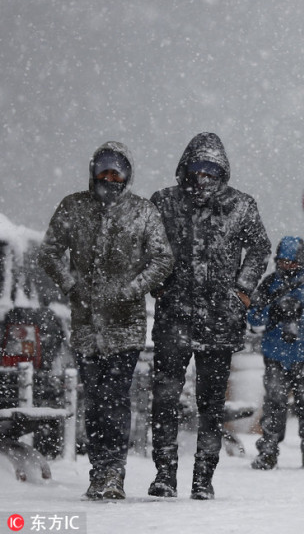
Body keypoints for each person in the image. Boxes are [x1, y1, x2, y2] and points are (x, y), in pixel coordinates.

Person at [39, 141, 174, 500]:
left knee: (115, 398)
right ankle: (98, 471)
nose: (109, 178)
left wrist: (131, 290)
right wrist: (71, 286)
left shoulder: (143, 212)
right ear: (93, 172)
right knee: (95, 400)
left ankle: (113, 472)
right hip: (85, 326)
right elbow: (49, 252)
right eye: (104, 170)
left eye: (117, 171)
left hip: (125, 326)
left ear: (128, 175)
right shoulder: (74, 207)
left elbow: (162, 260)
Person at [148, 132, 271, 499]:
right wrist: (157, 283)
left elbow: (260, 247)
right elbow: (148, 246)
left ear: (223, 173)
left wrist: (242, 290)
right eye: (197, 168)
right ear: (185, 167)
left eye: (211, 170)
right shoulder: (164, 202)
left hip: (221, 319)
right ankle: (164, 474)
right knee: (165, 397)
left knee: (211, 403)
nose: (202, 177)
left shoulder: (241, 206)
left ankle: (203, 477)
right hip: (173, 317)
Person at [248, 236, 304, 470]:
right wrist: (273, 312)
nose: (286, 267)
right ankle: (268, 451)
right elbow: (254, 320)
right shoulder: (268, 285)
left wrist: (302, 313)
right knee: (274, 403)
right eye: (282, 262)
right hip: (276, 354)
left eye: (291, 262)